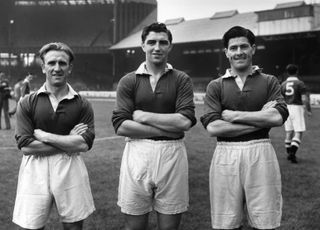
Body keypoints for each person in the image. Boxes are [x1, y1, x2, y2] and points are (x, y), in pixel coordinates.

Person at [200, 26, 289, 230]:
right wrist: (260, 118)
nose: (239, 51)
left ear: (253, 49)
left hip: (261, 151)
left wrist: (234, 116)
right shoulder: (216, 85)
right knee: (226, 222)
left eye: (244, 46)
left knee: (265, 221)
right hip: (225, 153)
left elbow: (277, 117)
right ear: (226, 52)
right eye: (233, 48)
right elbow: (213, 128)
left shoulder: (269, 81)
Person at [112, 22, 196, 230]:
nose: (157, 47)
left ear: (170, 46)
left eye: (162, 42)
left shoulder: (182, 79)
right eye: (151, 42)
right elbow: (121, 125)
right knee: (134, 226)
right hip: (137, 153)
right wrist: (168, 128)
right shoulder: (128, 81)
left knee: (169, 227)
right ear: (142, 45)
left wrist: (142, 116)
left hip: (172, 155)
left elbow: (184, 121)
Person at [12, 42, 95, 230]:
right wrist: (69, 140)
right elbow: (26, 146)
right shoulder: (27, 102)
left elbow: (84, 144)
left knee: (73, 226)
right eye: (51, 63)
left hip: (70, 166)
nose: (57, 68)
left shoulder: (82, 104)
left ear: (70, 67)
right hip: (35, 167)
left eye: (62, 63)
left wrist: (46, 137)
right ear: (43, 67)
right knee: (30, 226)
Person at [280, 64, 312, 163]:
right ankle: (292, 154)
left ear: (287, 72)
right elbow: (304, 99)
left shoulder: (283, 84)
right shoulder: (300, 83)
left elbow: (280, 99)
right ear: (297, 71)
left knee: (289, 132)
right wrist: (308, 110)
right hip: (296, 108)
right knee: (298, 132)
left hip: (286, 108)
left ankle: (289, 154)